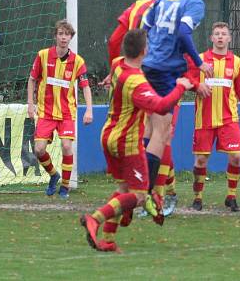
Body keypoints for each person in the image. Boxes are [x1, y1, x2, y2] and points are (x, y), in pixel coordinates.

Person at [80, 29, 193, 252]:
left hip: (108, 135)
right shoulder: (136, 82)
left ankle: (109, 240)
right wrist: (182, 85)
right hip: (127, 143)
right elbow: (160, 106)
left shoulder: (117, 64)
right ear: (144, 51)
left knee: (123, 188)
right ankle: (95, 218)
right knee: (140, 195)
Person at [104, 0, 184, 216]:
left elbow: (114, 40)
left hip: (132, 76)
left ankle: (141, 195)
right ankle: (157, 197)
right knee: (163, 134)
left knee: (144, 135)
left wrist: (115, 71)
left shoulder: (138, 5)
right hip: (163, 79)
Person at [140, 0, 213, 218]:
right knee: (163, 132)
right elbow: (183, 32)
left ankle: (143, 189)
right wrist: (199, 61)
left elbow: (143, 26)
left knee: (149, 130)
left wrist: (146, 54)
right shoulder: (195, 3)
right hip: (165, 72)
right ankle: (146, 194)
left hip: (148, 66)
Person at [187, 22, 240, 212]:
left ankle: (231, 197)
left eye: (224, 34)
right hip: (204, 118)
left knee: (236, 158)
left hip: (228, 118)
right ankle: (197, 198)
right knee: (200, 161)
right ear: (212, 38)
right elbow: (187, 79)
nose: (221, 37)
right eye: (217, 34)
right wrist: (196, 86)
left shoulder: (237, 62)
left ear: (229, 38)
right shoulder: (200, 60)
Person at [27, 20, 93, 198]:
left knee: (66, 146)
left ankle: (65, 186)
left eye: (67, 34)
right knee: (39, 150)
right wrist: (30, 105)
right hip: (46, 112)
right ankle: (54, 175)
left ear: (71, 37)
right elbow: (32, 79)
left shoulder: (78, 62)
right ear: (55, 36)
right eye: (61, 34)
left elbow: (85, 86)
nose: (64, 37)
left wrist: (89, 110)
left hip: (66, 113)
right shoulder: (43, 56)